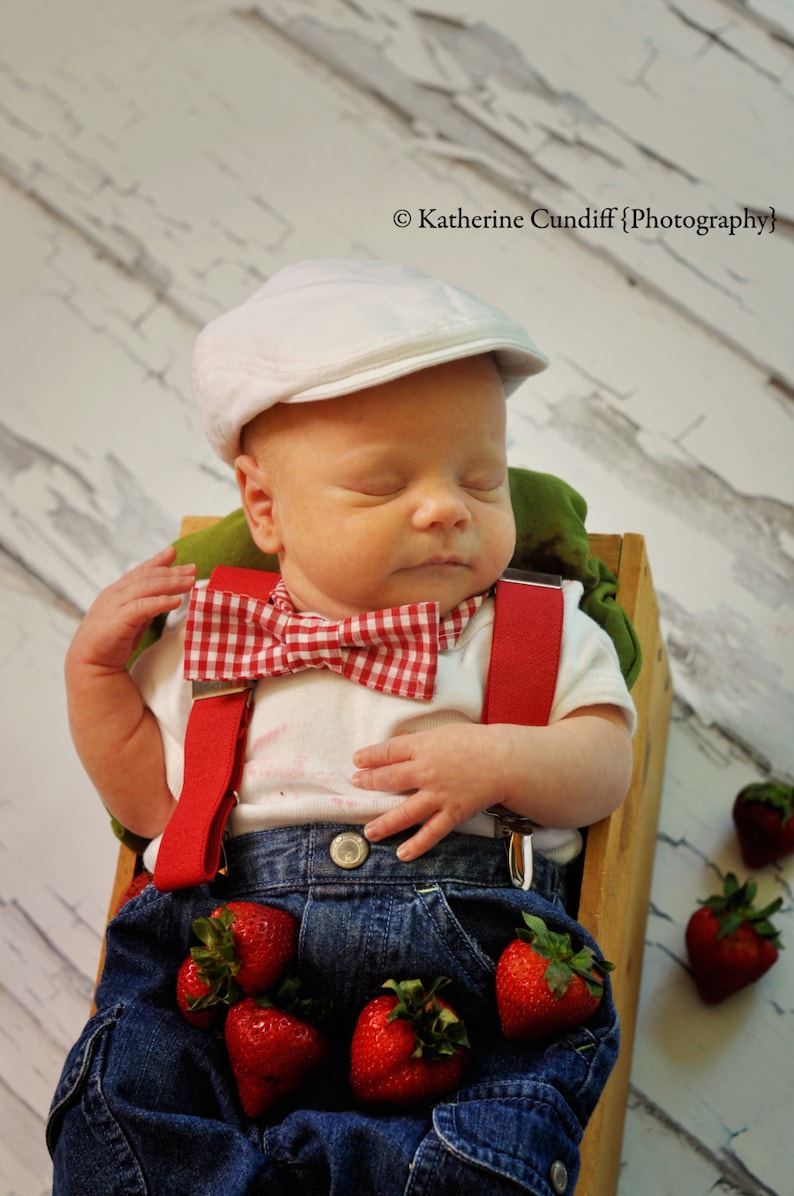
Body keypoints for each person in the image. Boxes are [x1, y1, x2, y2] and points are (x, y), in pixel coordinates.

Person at [48, 259, 635, 1195]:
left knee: (481, 1145)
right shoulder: (213, 638)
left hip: (470, 976)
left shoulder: (531, 628)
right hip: (225, 957)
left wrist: (504, 758)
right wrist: (92, 675)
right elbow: (154, 810)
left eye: (482, 480)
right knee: (130, 1110)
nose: (446, 506)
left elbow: (606, 764)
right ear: (265, 509)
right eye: (381, 486)